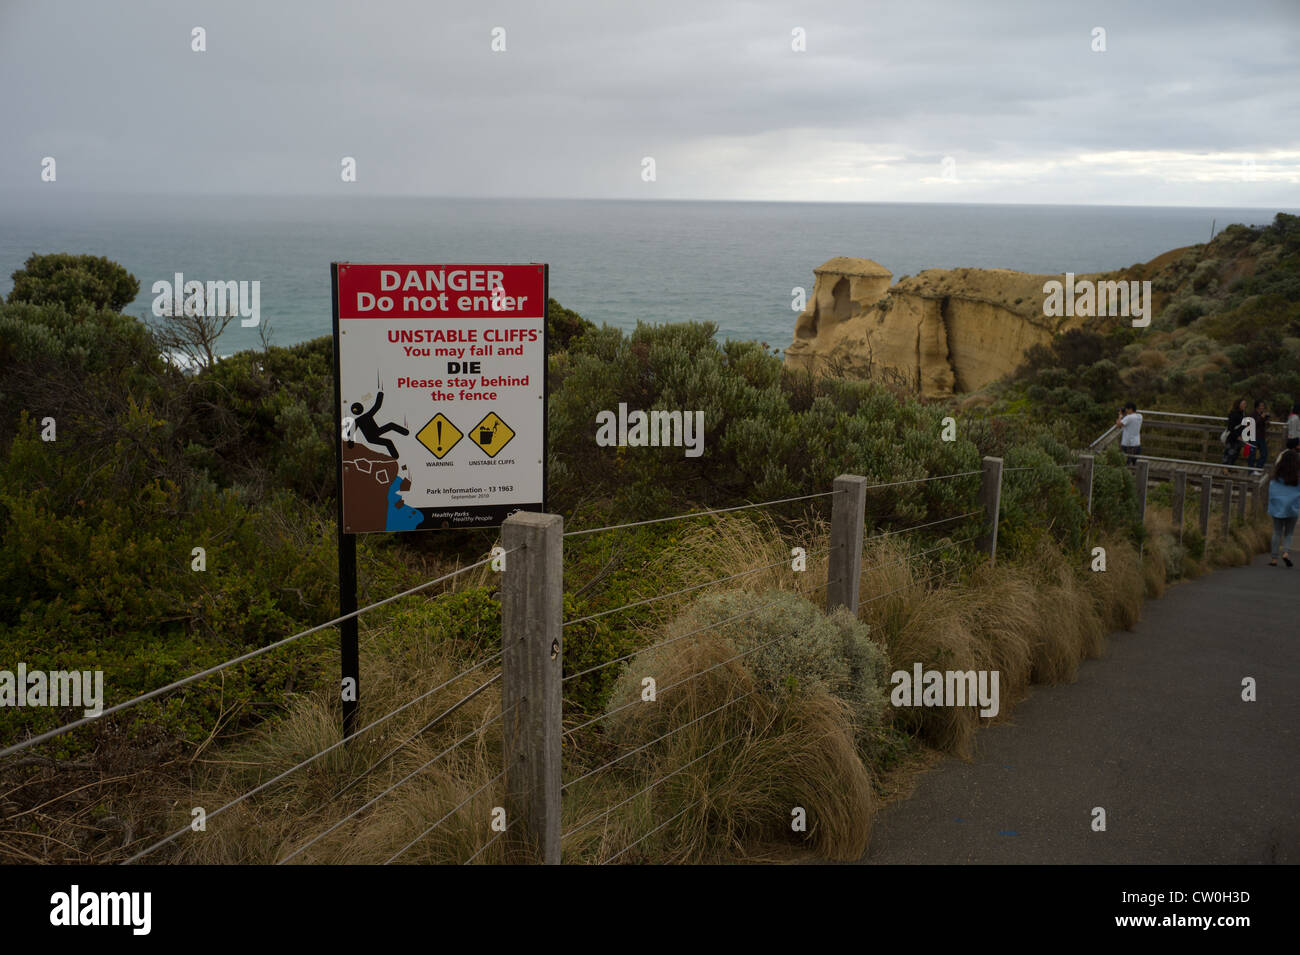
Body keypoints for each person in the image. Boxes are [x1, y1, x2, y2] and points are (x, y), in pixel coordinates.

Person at [1267, 448, 1300, 567]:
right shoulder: (1297, 475)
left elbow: (1272, 490)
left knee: (1277, 532)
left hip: (1278, 507)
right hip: (1292, 507)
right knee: (1289, 533)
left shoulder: (1276, 475)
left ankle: (1274, 559)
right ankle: (1286, 552)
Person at [1222, 397, 1249, 466]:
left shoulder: (1243, 413)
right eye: (1243, 404)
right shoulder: (1233, 414)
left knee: (1236, 453)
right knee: (1229, 452)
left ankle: (1230, 467)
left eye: (1245, 404)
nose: (1245, 405)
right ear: (1238, 405)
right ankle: (1225, 469)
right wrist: (1237, 436)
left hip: (1240, 436)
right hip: (1232, 437)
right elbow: (1230, 427)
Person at [1247, 400, 1271, 473]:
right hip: (1253, 436)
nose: (1263, 407)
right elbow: (1252, 424)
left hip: (1261, 437)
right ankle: (1251, 471)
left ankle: (1258, 468)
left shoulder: (1263, 414)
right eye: (1261, 405)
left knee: (1264, 454)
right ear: (1257, 406)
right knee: (1252, 454)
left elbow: (1266, 425)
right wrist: (1261, 417)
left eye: (1263, 406)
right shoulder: (1252, 414)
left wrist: (1267, 421)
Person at [1116, 401, 1142, 465]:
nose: (1126, 410)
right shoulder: (1140, 416)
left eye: (1126, 409)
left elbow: (1118, 425)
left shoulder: (1129, 417)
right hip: (1137, 444)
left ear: (1130, 409)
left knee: (1125, 464)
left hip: (1127, 445)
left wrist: (1120, 415)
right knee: (1135, 464)